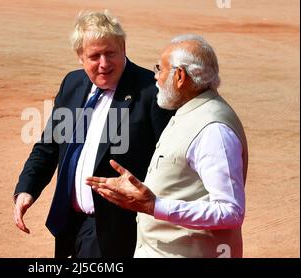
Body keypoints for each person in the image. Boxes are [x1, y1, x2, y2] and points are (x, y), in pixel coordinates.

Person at [13, 11, 173, 258]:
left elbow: (171, 161)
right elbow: (50, 145)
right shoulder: (73, 84)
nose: (104, 64)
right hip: (68, 224)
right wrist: (27, 189)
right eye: (94, 56)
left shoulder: (150, 92)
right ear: (80, 57)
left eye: (111, 53)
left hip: (114, 231)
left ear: (123, 48)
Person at [86, 34, 248, 258]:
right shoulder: (189, 110)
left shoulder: (213, 130)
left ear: (180, 76)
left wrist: (155, 205)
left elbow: (230, 211)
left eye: (160, 69)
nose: (155, 77)